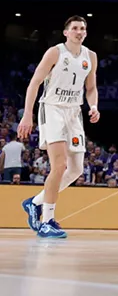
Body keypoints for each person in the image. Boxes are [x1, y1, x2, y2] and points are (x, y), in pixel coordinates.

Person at [17, 15, 99, 239]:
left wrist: (93, 106)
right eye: (75, 28)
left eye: (82, 28)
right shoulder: (55, 52)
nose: (79, 31)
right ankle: (47, 220)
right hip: (52, 108)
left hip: (74, 112)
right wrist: (27, 114)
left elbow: (91, 88)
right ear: (66, 32)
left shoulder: (90, 56)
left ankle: (34, 203)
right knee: (60, 165)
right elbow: (35, 82)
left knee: (76, 170)